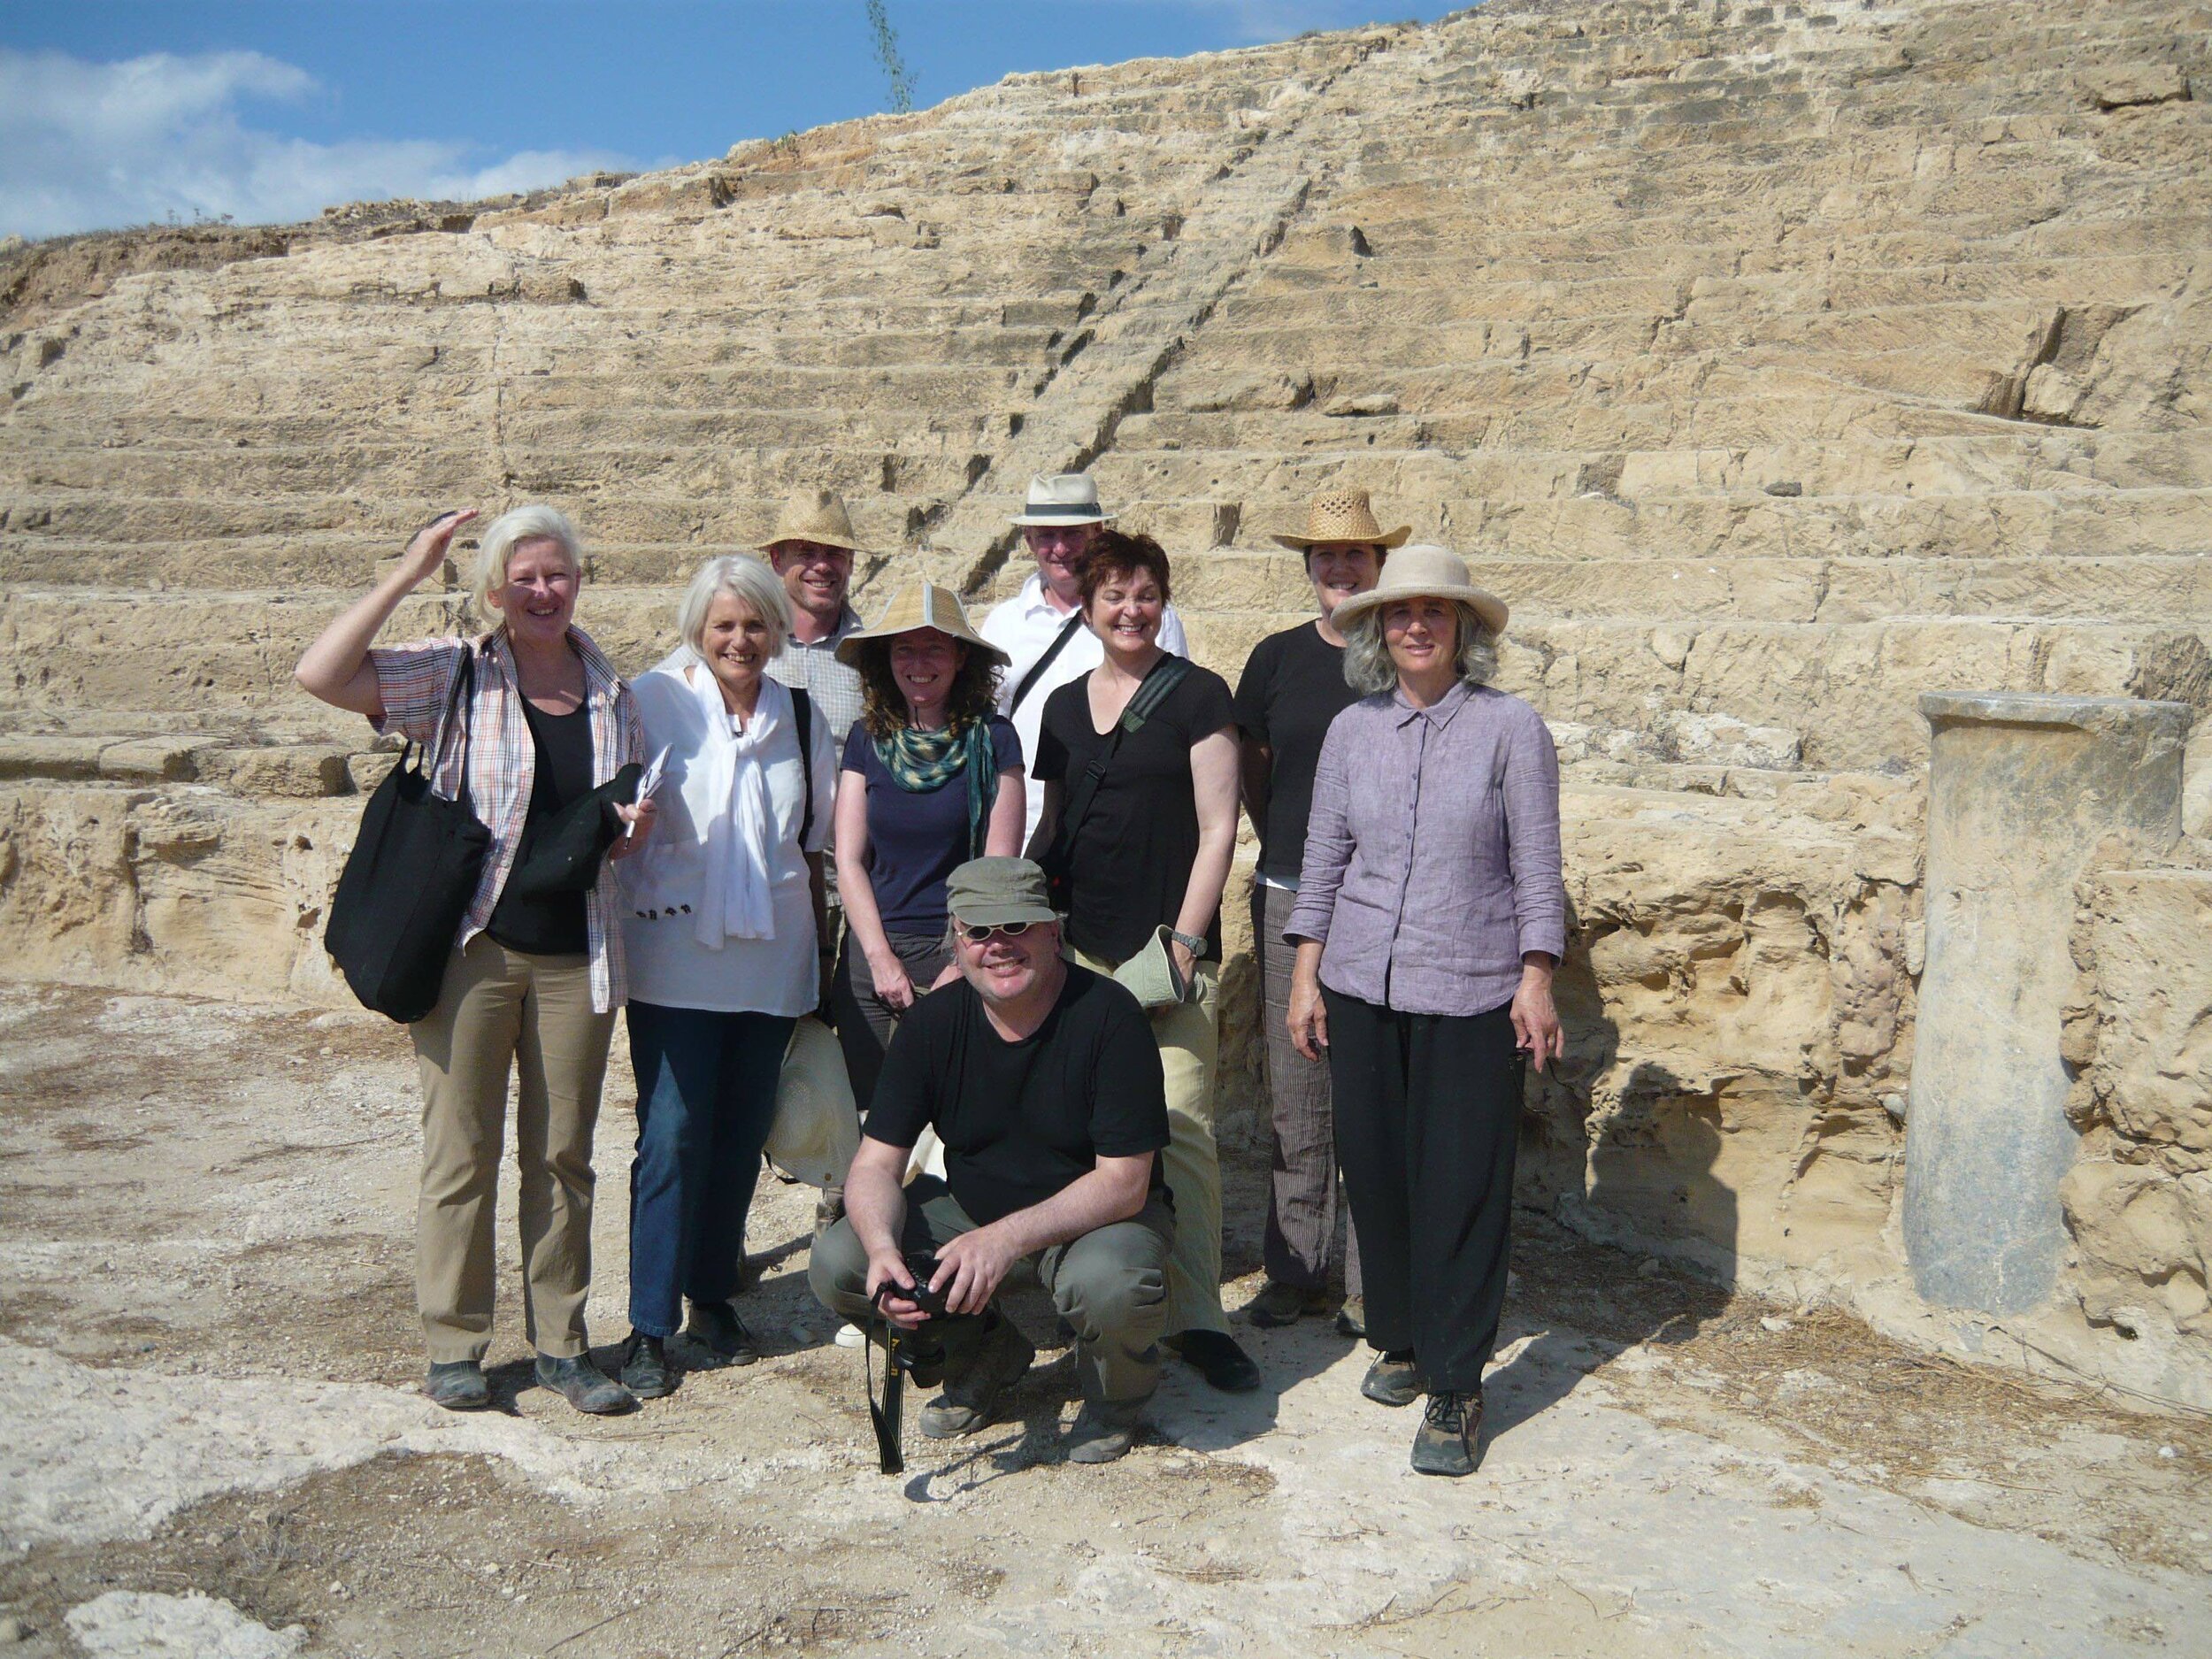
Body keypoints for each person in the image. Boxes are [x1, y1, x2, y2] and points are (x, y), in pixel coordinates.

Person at [294, 504, 652, 1417]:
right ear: (496, 587)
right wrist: (409, 571)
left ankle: (562, 1346)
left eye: (558, 575)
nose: (543, 592)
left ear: (579, 582)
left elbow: (602, 814)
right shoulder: (456, 674)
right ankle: (454, 1343)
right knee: (461, 1154)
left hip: (579, 955)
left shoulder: (615, 693)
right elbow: (320, 674)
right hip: (475, 951)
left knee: (564, 1157)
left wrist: (624, 836)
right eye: (524, 577)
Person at [1285, 544, 1567, 1478]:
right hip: (1362, 983)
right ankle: (1404, 1341)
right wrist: (1304, 973)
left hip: (1471, 986)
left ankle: (1457, 1384)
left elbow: (1537, 863)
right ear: (1375, 628)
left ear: (1462, 631)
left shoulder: (1509, 729)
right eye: (1399, 613)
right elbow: (1322, 857)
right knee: (1377, 1170)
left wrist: (1536, 976)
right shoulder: (1352, 730)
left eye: (1434, 614)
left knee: (1460, 1183)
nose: (1414, 626)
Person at [810, 857, 1175, 1464]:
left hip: (1097, 1219)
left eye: (1016, 926)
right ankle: (985, 1355)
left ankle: (1115, 1401)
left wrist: (1004, 1240)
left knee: (1110, 1282)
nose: (997, 945)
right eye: (979, 931)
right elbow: (875, 1164)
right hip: (976, 1207)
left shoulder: (1110, 1017)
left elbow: (1126, 1182)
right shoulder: (931, 1024)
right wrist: (881, 1251)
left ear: (1052, 931)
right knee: (841, 1258)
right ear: (956, 938)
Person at [1027, 530, 1259, 1395]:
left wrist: (1185, 940)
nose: (1131, 610)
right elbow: (1055, 831)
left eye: (1146, 593)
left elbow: (1217, 830)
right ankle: (1091, 1291)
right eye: (1114, 595)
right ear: (1085, 607)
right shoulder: (1057, 707)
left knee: (1185, 1131)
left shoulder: (1199, 696)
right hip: (1078, 948)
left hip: (1166, 954)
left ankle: (1199, 1316)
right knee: (1085, 1132)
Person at [612, 555, 837, 1398]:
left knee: (741, 1133)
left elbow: (808, 849)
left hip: (771, 958)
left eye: (754, 625)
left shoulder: (803, 715)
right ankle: (646, 1323)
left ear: (778, 630)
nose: (740, 640)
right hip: (676, 957)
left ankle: (711, 1292)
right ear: (697, 630)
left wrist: (818, 958)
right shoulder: (652, 701)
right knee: (671, 1133)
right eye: (724, 626)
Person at [1234, 488, 1405, 1334]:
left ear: (1378, 565)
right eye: (1326, 556)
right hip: (1292, 889)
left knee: (1372, 1093)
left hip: (1385, 901)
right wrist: (1292, 858)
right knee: (1295, 1091)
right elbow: (1256, 771)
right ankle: (1298, 1266)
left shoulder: (1404, 653)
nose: (1340, 568)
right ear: (1308, 566)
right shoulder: (1274, 659)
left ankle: (1373, 1286)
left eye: (1355, 556)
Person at [830, 581, 1025, 1113]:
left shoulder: (995, 739)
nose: (920, 663)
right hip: (876, 946)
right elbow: (848, 859)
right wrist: (880, 960)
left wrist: (961, 966)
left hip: (962, 947)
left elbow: (998, 868)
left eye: (935, 647)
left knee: (956, 1110)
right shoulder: (865, 739)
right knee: (871, 1112)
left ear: (962, 657)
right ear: (883, 659)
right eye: (904, 649)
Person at [981, 474, 1189, 849]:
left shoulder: (1145, 618)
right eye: (1047, 535)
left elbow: (1175, 710)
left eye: (1073, 533)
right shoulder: (1002, 624)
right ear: (1028, 540)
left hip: (1122, 830)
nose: (1060, 548)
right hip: (1019, 833)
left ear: (1098, 531)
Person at [762, 486, 867, 1002]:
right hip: (774, 880)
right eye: (807, 553)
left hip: (855, 882)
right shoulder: (742, 646)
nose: (822, 567)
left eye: (834, 554)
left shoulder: (871, 655)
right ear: (776, 559)